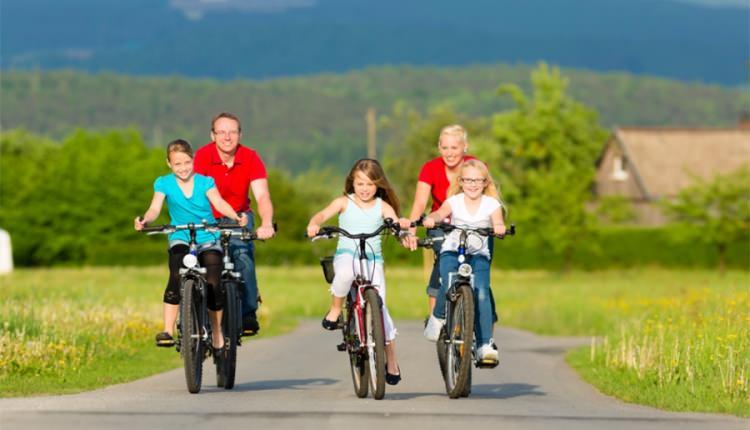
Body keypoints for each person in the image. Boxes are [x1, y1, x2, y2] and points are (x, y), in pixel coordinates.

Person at [134, 139, 247, 350]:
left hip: (207, 236)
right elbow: (154, 208)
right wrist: (145, 220)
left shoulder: (206, 182)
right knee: (176, 275)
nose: (183, 168)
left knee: (213, 281)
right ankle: (168, 330)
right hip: (181, 235)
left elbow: (219, 203)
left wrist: (236, 216)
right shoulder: (163, 183)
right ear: (169, 164)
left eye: (186, 162)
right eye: (177, 164)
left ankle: (216, 331)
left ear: (193, 160)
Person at [306, 159, 408, 385]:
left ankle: (391, 359)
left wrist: (402, 230)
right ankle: (334, 310)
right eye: (360, 183)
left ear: (378, 185)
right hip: (347, 255)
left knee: (381, 308)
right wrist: (314, 224)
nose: (364, 189)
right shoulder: (344, 202)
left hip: (373, 260)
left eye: (370, 184)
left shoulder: (382, 206)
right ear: (353, 182)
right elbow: (321, 216)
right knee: (344, 274)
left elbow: (393, 222)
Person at [194, 112, 275, 337]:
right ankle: (193, 309)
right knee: (199, 261)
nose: (227, 137)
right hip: (206, 217)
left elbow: (262, 196)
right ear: (213, 135)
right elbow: (194, 192)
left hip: (239, 217)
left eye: (232, 132)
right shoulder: (202, 156)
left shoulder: (250, 157)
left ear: (240, 134)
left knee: (243, 257)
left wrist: (267, 223)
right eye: (221, 132)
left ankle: (248, 311)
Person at [420, 159, 506, 363]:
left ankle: (485, 344)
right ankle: (438, 317)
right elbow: (440, 212)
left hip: (478, 255)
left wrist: (499, 227)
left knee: (483, 292)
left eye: (478, 180)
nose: (473, 184)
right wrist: (433, 218)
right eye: (468, 180)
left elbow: (498, 220)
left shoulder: (492, 204)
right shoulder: (455, 201)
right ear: (461, 181)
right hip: (452, 250)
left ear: (485, 182)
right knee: (447, 282)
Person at [403, 124, 481, 315]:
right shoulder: (430, 168)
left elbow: (489, 196)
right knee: (444, 261)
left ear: (465, 147)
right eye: (444, 147)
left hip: (470, 223)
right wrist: (411, 231)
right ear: (439, 147)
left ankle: (474, 317)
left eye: (454, 147)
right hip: (439, 224)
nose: (449, 153)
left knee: (476, 266)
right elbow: (420, 203)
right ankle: (435, 319)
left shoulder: (475, 166)